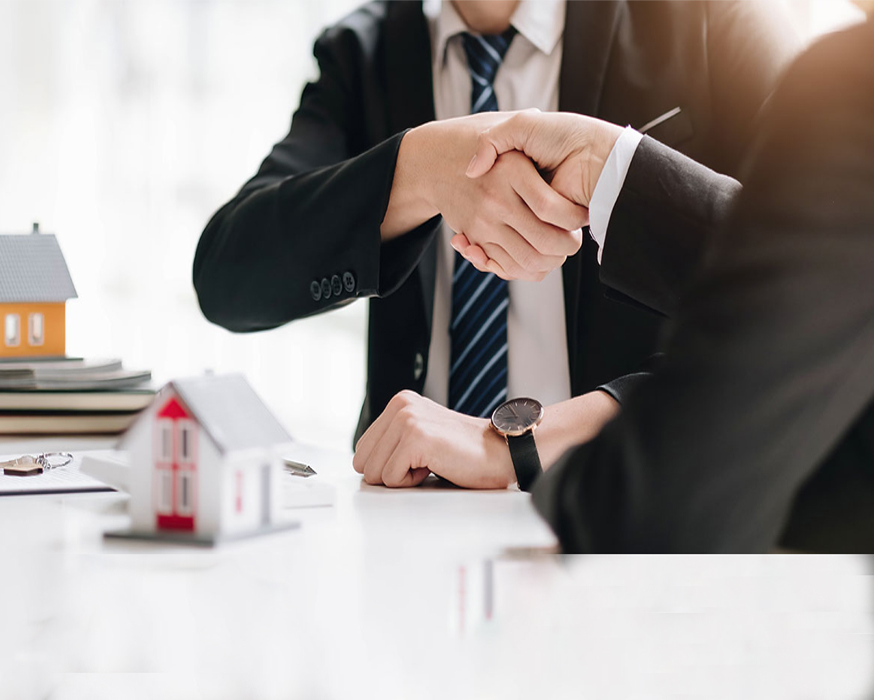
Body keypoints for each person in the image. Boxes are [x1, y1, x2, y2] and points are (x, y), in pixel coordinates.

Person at [353, 16, 874, 553]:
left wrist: (518, 445)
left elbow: (795, 326)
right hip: (399, 520)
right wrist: (416, 168)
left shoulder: (803, 61)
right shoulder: (366, 45)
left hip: (604, 563)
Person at [194, 0, 797, 454]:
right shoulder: (364, 52)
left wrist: (616, 165)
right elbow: (229, 276)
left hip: (637, 526)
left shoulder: (711, 21)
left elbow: (826, 280)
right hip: (412, 527)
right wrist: (416, 167)